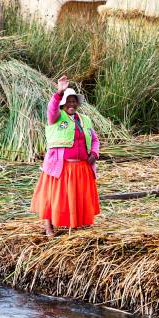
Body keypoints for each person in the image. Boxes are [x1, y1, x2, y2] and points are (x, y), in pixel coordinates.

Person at [30, 76, 101, 236]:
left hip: (81, 166)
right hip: (60, 166)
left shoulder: (84, 120)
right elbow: (51, 109)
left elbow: (95, 139)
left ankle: (73, 225)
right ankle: (49, 226)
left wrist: (94, 154)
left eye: (74, 101)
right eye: (68, 101)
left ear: (77, 103)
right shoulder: (56, 117)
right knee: (54, 196)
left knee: (75, 197)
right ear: (63, 103)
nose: (72, 104)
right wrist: (59, 92)